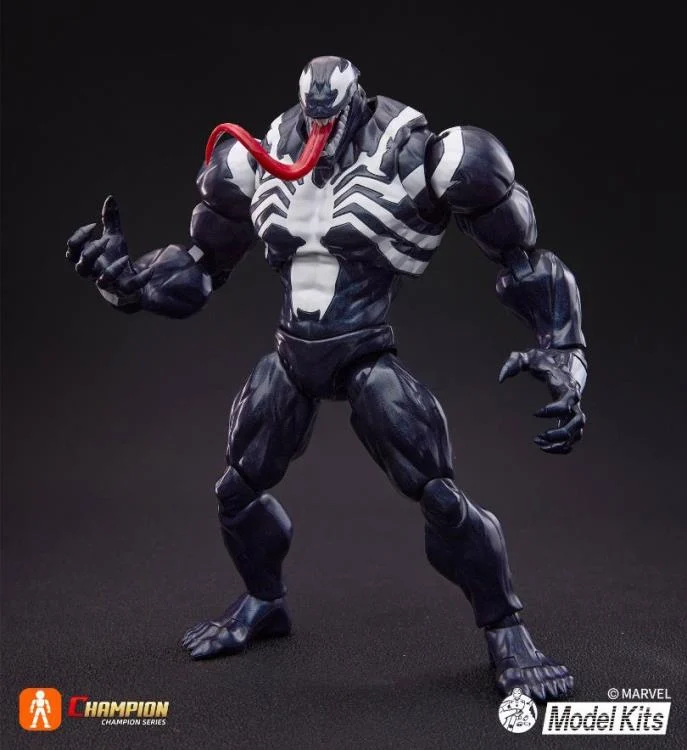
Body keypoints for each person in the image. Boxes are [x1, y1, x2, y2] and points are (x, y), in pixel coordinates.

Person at [66, 56, 587, 701]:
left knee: (441, 499)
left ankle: (508, 632)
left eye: (331, 120)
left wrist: (565, 349)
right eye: (312, 119)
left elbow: (523, 257)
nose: (319, 133)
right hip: (291, 356)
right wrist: (127, 284)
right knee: (236, 493)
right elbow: (200, 269)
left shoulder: (422, 156)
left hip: (366, 355)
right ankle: (264, 601)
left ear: (354, 104)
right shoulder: (256, 158)